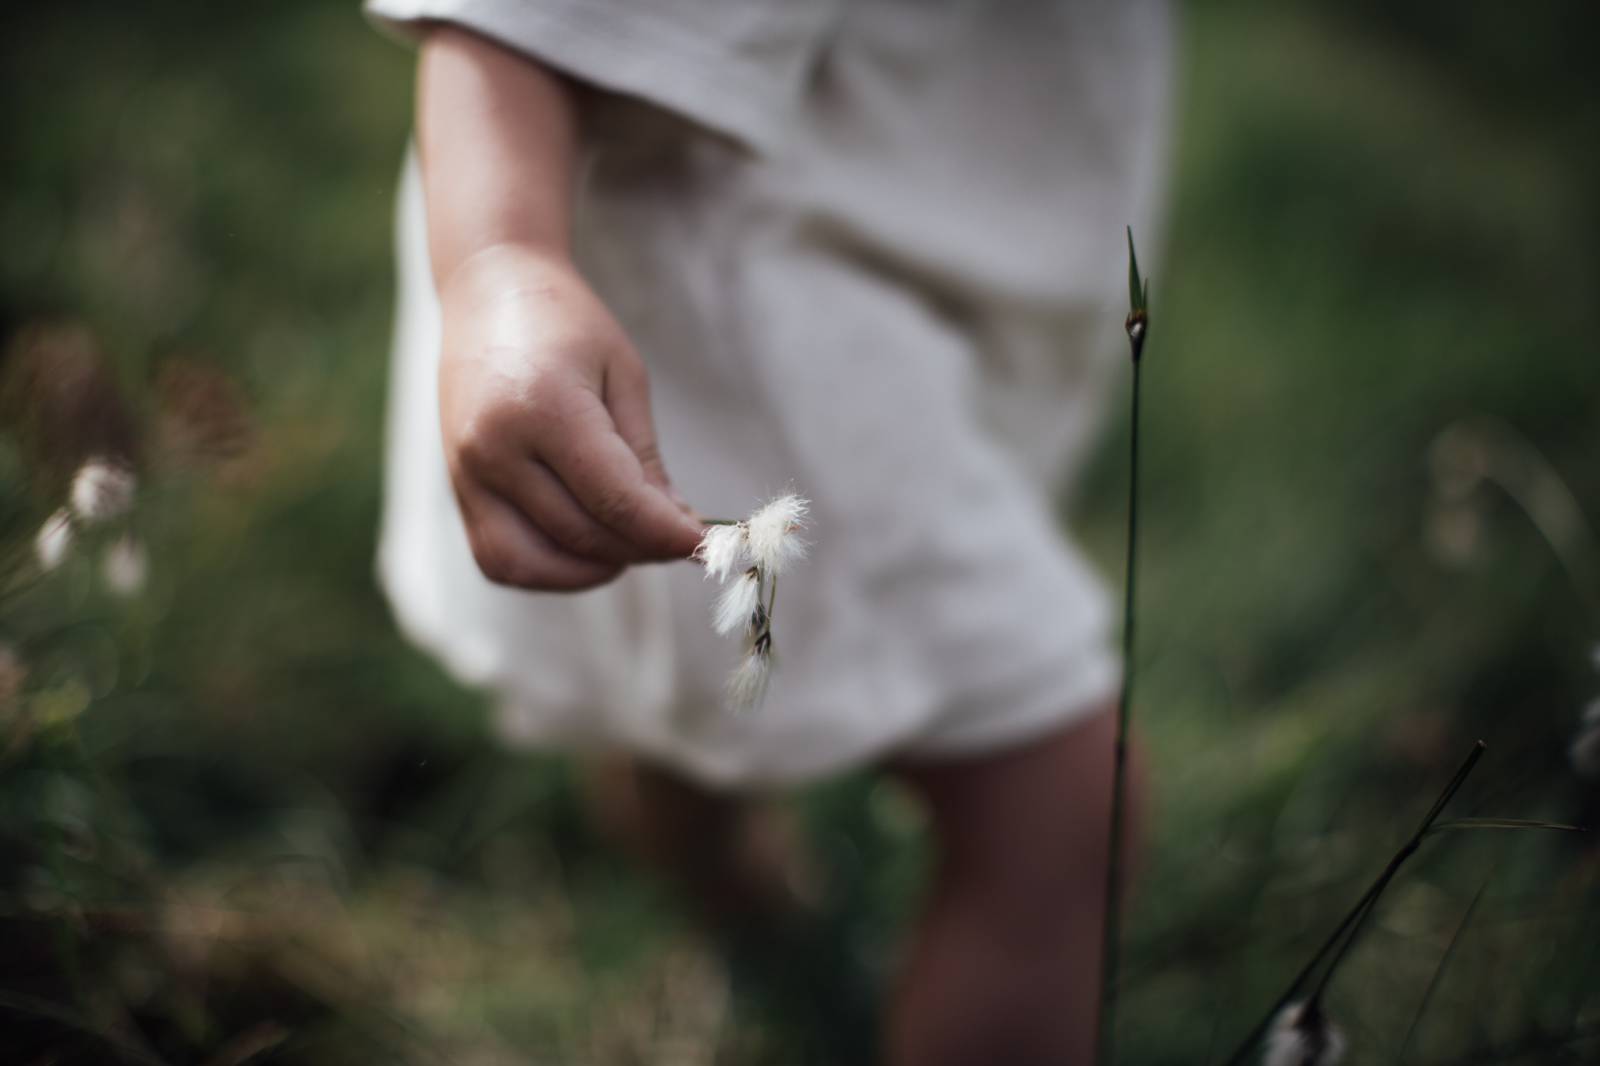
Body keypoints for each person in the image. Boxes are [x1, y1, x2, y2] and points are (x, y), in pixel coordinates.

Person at [367, 2, 1171, 1062]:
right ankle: (740, 902)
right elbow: (514, 21)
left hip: (863, 273)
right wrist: (501, 264)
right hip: (762, 318)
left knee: (700, 698)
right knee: (1058, 809)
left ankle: (739, 907)